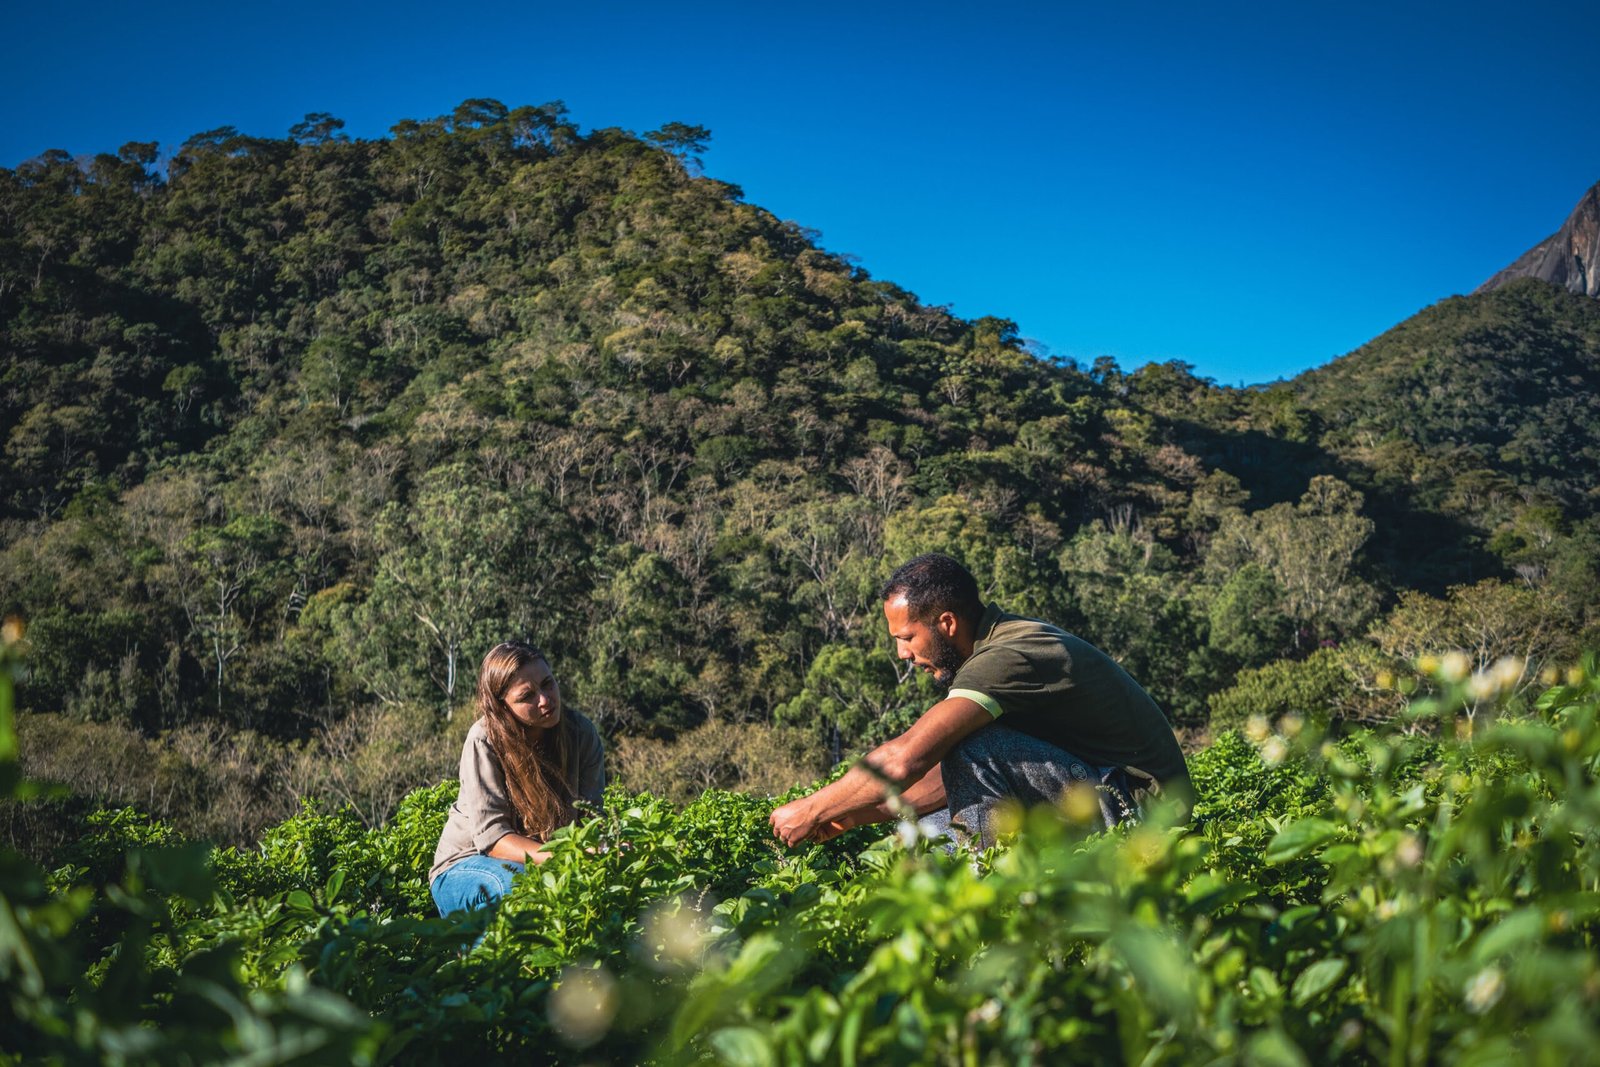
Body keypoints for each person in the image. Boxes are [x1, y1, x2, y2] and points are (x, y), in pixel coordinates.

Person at [770, 553, 1190, 849]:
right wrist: (846, 817)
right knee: (922, 839)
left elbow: (905, 760)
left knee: (972, 752)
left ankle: (990, 901)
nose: (903, 654)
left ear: (947, 623)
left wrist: (811, 807)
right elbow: (941, 778)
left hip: (1139, 810)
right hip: (1099, 789)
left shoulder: (1004, 658)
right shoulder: (994, 652)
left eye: (906, 638)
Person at [429, 640, 605, 916]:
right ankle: (487, 958)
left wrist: (610, 849)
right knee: (518, 887)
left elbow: (592, 818)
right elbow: (494, 839)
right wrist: (565, 858)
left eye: (548, 684)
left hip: (540, 860)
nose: (545, 700)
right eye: (527, 696)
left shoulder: (580, 733)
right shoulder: (484, 740)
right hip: (464, 865)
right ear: (503, 707)